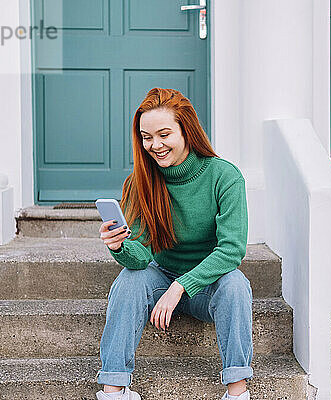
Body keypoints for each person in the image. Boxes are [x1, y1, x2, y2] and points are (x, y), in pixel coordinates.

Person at [96, 88, 253, 400]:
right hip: (160, 279)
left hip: (208, 284)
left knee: (236, 284)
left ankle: (237, 391)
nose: (155, 145)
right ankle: (114, 389)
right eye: (146, 137)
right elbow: (140, 258)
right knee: (129, 281)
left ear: (187, 130)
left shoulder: (224, 176)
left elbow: (232, 250)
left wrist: (181, 286)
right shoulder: (139, 182)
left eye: (164, 134)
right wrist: (119, 246)